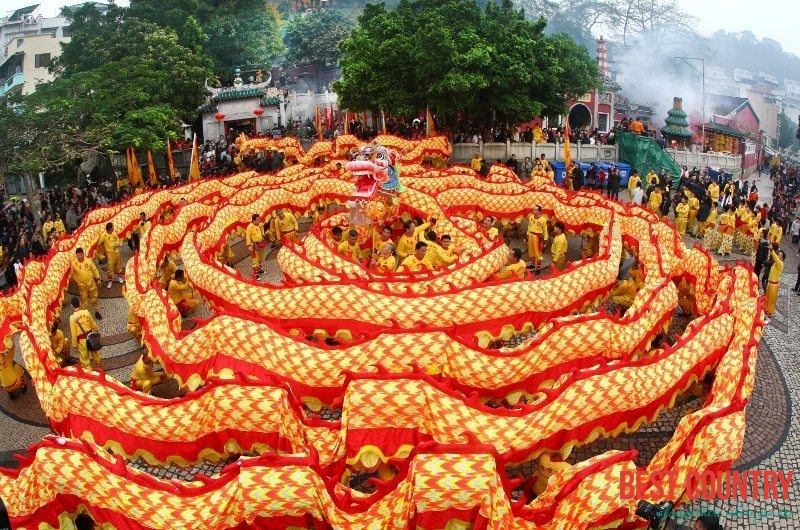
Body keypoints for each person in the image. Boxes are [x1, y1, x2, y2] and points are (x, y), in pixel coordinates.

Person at [68, 296, 101, 371]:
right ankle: (100, 369)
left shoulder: (72, 318)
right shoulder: (86, 312)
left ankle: (89, 373)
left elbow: (73, 333)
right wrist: (97, 330)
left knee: (84, 359)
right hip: (90, 337)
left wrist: (75, 345)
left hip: (81, 341)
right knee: (95, 354)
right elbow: (93, 323)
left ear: (71, 305)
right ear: (80, 303)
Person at [70, 248, 102, 320]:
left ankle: (96, 311)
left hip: (91, 283)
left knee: (94, 298)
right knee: (84, 300)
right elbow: (72, 274)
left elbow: (94, 270)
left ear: (83, 254)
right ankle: (84, 314)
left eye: (81, 255)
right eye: (78, 255)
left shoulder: (89, 261)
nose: (80, 257)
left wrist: (98, 279)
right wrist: (72, 279)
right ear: (76, 255)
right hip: (81, 285)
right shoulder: (74, 264)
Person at [96, 222, 124, 288]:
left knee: (119, 266)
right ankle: (110, 282)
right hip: (110, 254)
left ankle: (120, 278)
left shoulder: (114, 233)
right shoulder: (103, 235)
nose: (113, 228)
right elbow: (99, 243)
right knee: (110, 268)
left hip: (116, 252)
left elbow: (117, 239)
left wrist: (117, 243)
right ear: (110, 228)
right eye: (113, 227)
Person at [764, 247, 784, 325]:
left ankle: (769, 317)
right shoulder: (775, 263)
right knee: (767, 299)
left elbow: (775, 257)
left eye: (780, 255)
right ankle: (765, 313)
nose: (778, 255)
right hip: (770, 283)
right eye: (778, 254)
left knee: (771, 301)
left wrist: (772, 250)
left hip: (774, 285)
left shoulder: (780, 264)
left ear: (782, 258)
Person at [526, 205, 548, 274]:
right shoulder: (531, 217)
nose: (533, 211)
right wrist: (527, 236)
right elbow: (529, 227)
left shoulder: (543, 220)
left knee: (538, 253)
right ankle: (532, 265)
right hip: (530, 236)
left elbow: (545, 231)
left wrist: (545, 240)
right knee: (531, 251)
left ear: (539, 211)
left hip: (538, 238)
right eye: (533, 210)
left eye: (535, 210)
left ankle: (538, 268)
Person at [245, 213, 267, 278]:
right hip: (254, 245)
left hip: (261, 244)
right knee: (255, 259)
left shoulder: (260, 225)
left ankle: (259, 270)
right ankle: (256, 274)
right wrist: (249, 245)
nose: (259, 220)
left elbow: (262, 232)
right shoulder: (250, 227)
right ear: (253, 220)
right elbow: (248, 236)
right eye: (258, 219)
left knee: (261, 258)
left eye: (259, 219)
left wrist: (263, 236)